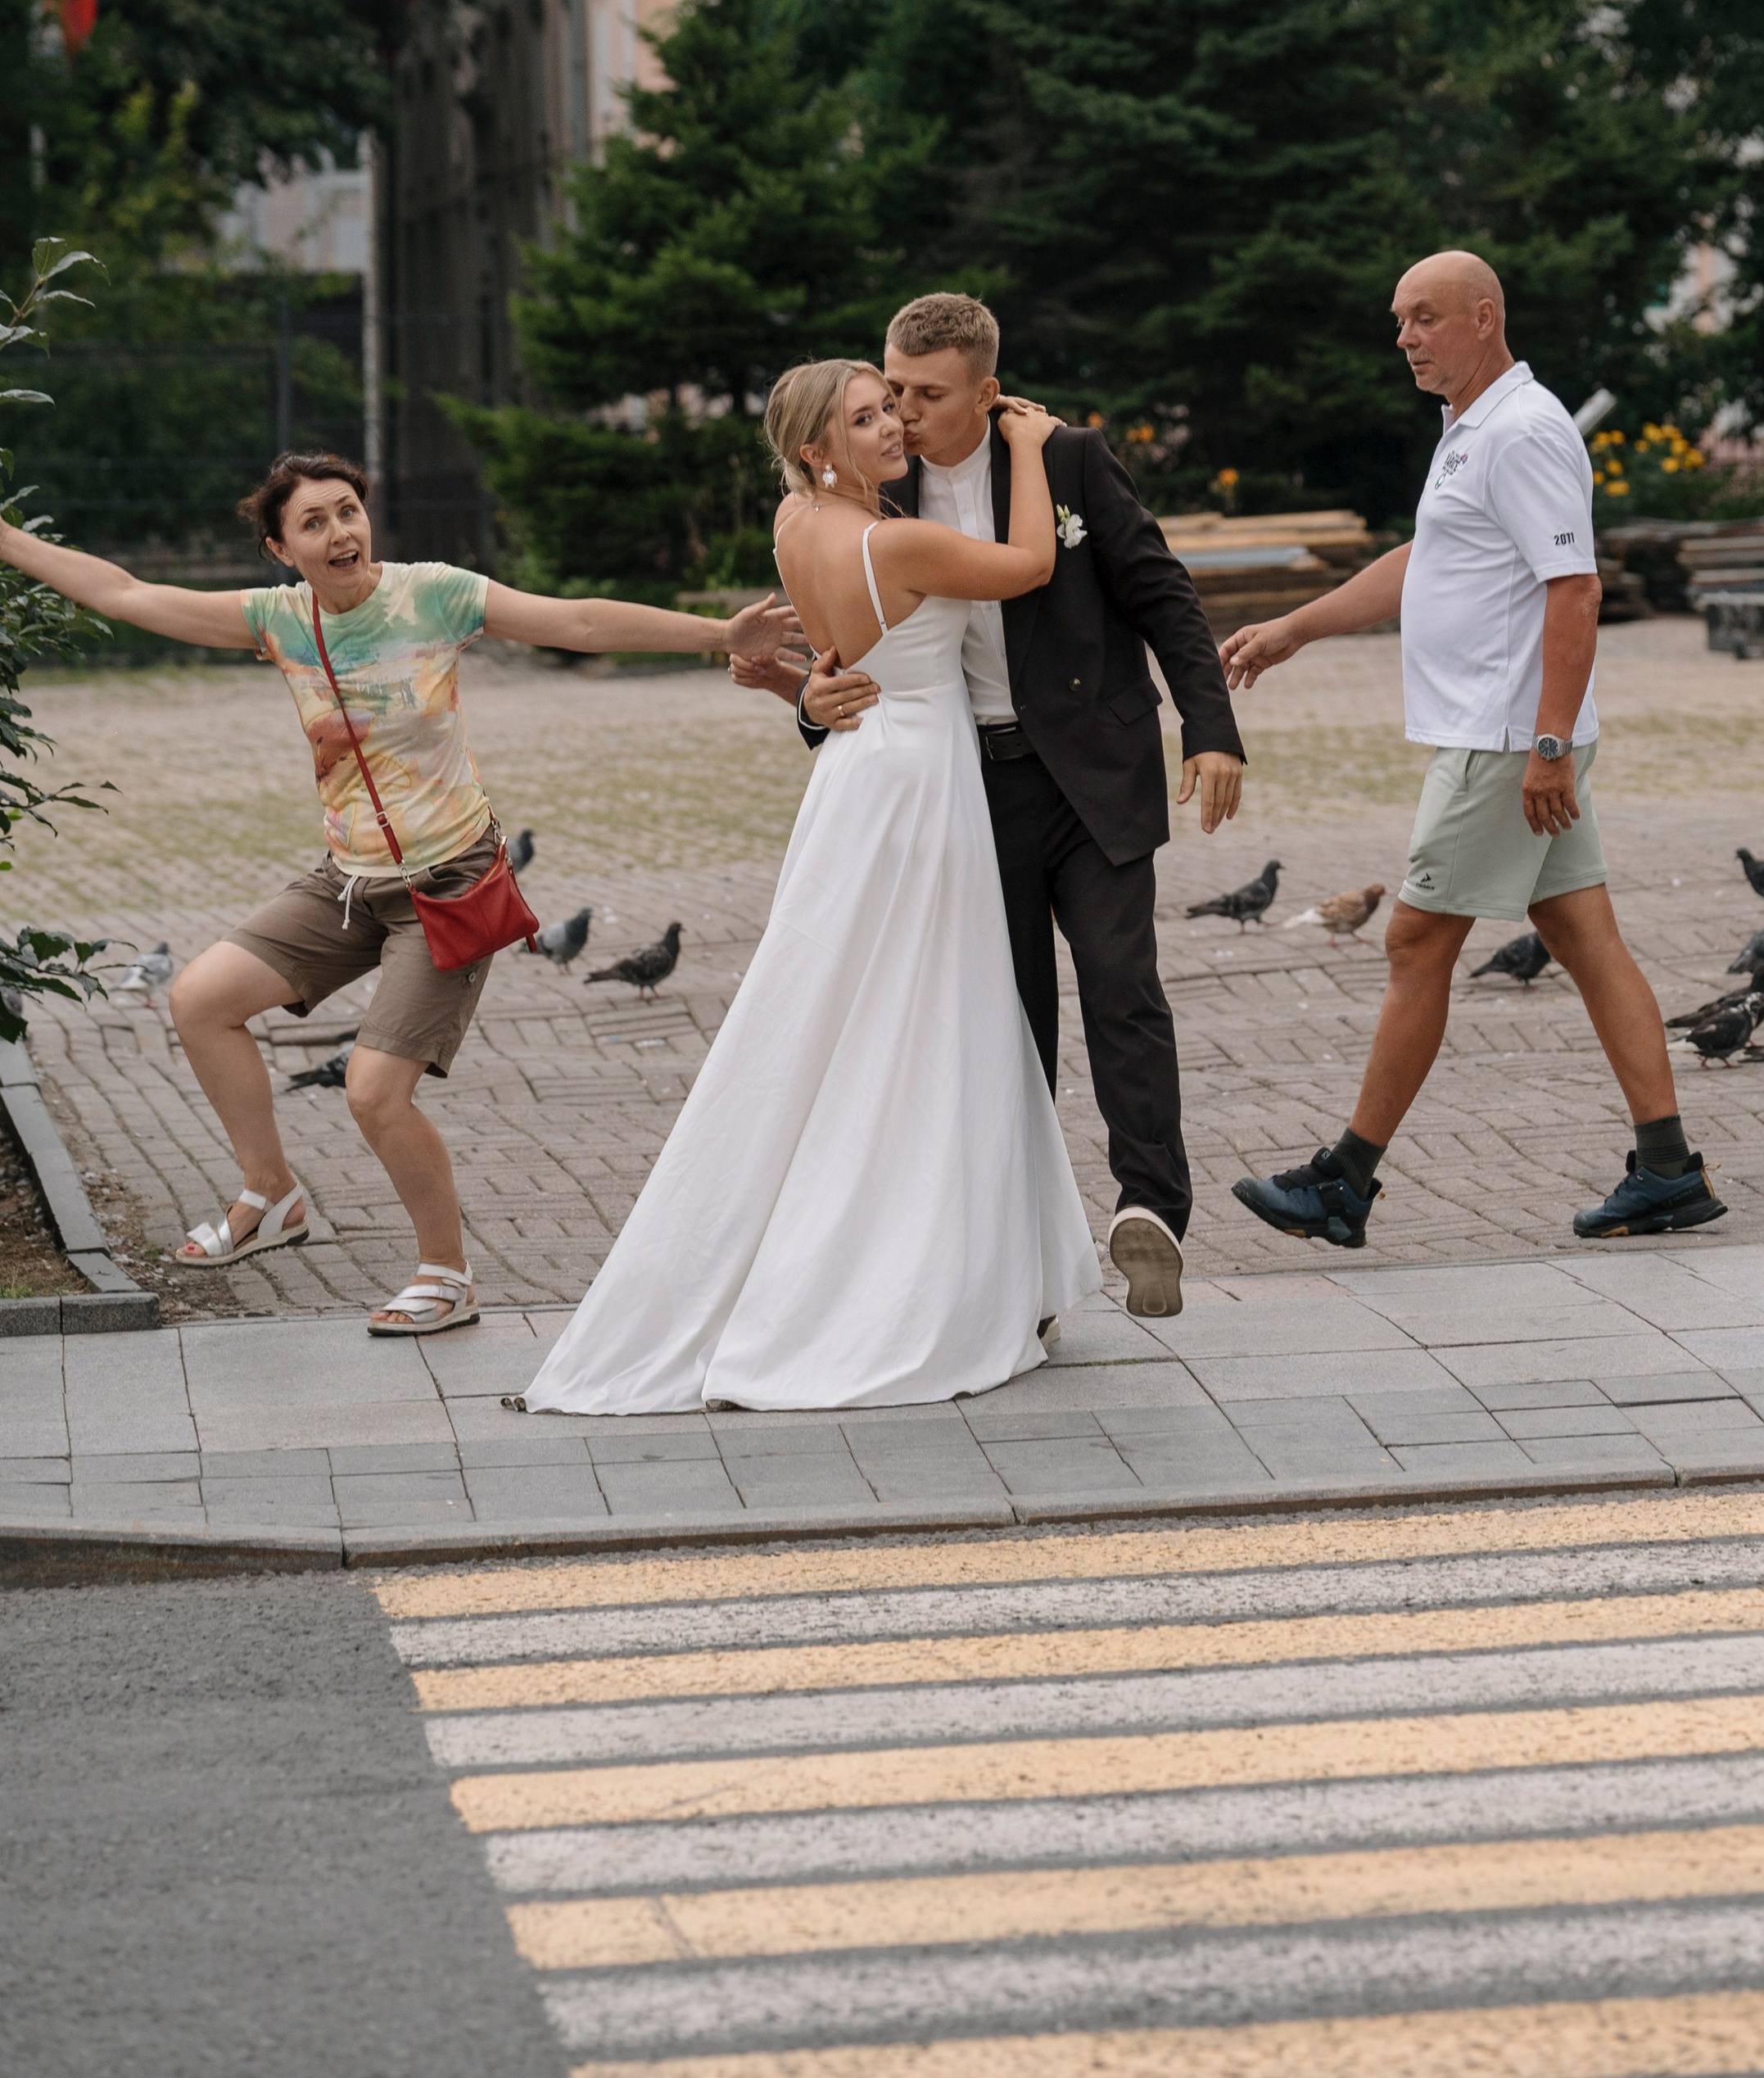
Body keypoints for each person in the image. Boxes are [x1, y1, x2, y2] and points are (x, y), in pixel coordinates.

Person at [0, 450, 806, 1333]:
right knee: (199, 1000)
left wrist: (719, 634)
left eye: (348, 510)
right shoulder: (278, 619)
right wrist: (7, 539)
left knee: (374, 1091)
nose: (339, 531)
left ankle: (447, 1275)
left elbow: (574, 619)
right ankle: (271, 1193)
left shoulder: (435, 594)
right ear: (281, 549)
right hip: (347, 882)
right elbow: (122, 593)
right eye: (313, 522)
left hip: (449, 883)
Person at [525, 363, 1097, 1413]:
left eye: (889, 408)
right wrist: (1026, 445)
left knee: (843, 1008)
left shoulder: (796, 523)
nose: (891, 428)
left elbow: (837, 657)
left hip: (856, 773)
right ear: (814, 449)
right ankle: (895, 1270)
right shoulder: (894, 541)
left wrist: (795, 687)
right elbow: (1027, 564)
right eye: (864, 419)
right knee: (919, 1012)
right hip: (917, 785)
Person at [744, 293, 1244, 1322]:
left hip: (1094, 766)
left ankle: (1150, 1205)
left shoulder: (1067, 458)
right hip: (969, 782)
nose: (902, 412)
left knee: (1121, 985)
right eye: (891, 391)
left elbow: (1161, 592)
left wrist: (1211, 727)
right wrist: (807, 701)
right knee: (1002, 1022)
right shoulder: (878, 480)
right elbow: (845, 638)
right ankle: (1019, 1256)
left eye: (926, 394)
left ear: (986, 391)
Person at [1220, 252, 1722, 1247]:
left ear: (1483, 317)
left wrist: (1545, 745)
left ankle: (1344, 1182)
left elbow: (1574, 588)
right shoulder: (1471, 427)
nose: (1404, 336)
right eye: (1398, 319)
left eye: (1425, 317)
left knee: (1414, 941)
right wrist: (1297, 627)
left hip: (1504, 739)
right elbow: (1431, 558)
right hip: (1514, 736)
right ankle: (1667, 1169)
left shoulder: (1522, 429)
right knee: (1583, 937)